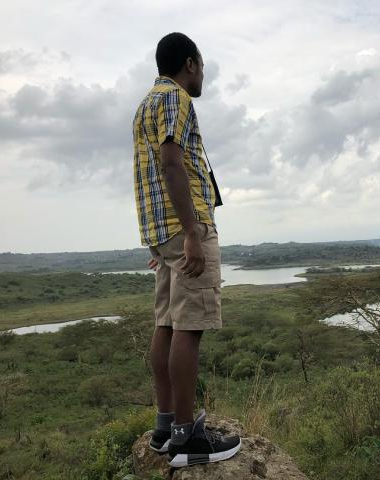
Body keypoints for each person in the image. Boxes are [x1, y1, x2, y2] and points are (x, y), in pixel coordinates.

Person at [132, 32, 240, 468]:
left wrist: (166, 237)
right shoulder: (176, 99)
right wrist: (192, 232)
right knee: (189, 327)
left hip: (162, 230)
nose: (204, 74)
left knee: (167, 322)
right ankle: (185, 438)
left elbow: (151, 171)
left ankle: (164, 427)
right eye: (203, 65)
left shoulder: (144, 105)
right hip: (185, 227)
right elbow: (172, 162)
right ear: (191, 63)